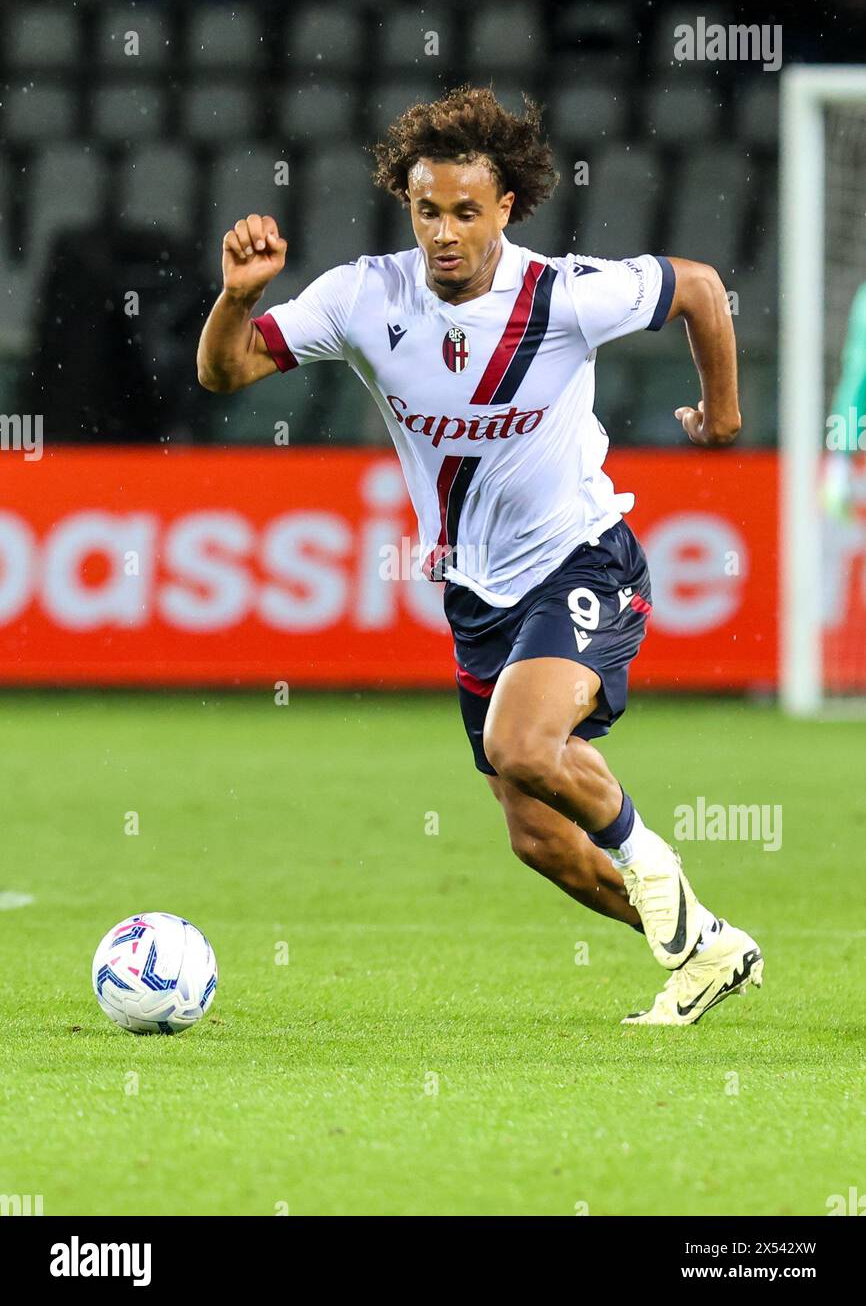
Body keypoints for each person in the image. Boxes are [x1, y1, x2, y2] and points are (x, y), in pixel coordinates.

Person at [196, 85, 763, 1025]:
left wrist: (724, 419)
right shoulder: (363, 296)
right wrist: (236, 298)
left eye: (468, 210)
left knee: (521, 745)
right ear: (406, 207)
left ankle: (650, 857)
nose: (446, 232)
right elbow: (225, 371)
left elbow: (699, 286)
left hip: (585, 562)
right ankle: (705, 945)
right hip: (475, 593)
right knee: (536, 836)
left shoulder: (565, 295)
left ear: (507, 206)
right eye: (429, 210)